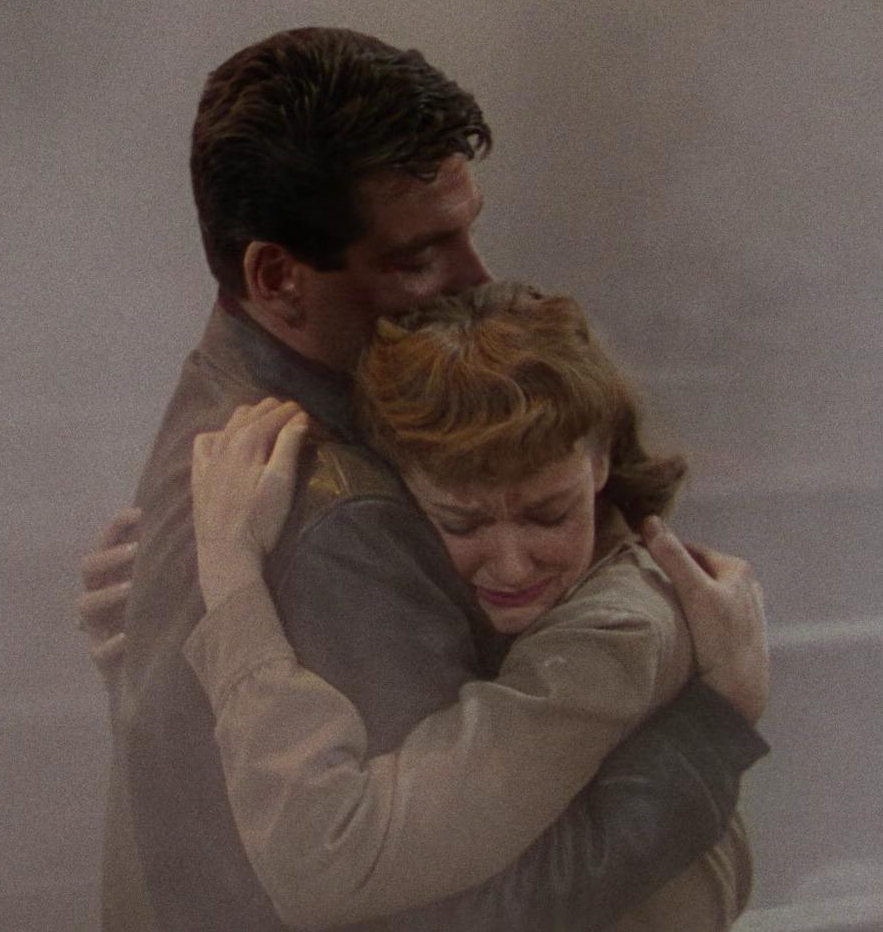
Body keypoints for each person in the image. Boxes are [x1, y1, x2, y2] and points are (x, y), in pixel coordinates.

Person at [92, 26, 770, 931]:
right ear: (277, 275)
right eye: (418, 257)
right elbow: (461, 912)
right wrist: (715, 725)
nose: (476, 277)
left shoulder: (226, 394)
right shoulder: (335, 513)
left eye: (467, 232)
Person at [185, 282, 754, 930]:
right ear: (399, 481)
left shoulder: (617, 631)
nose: (511, 565)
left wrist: (229, 575)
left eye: (549, 514)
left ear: (599, 461)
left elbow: (326, 863)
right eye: (462, 522)